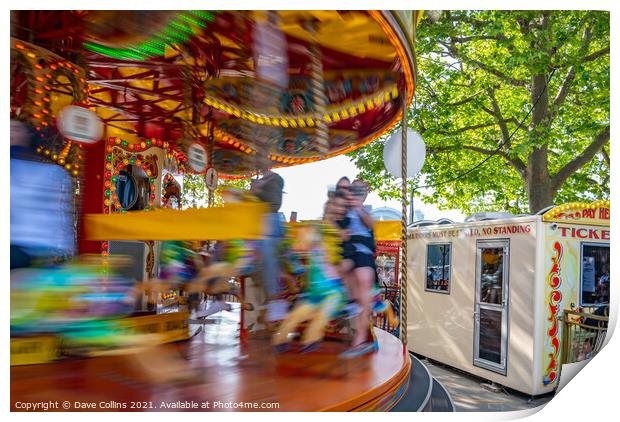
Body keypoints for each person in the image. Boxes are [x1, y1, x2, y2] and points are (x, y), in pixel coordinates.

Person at [10, 120, 75, 269]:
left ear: (28, 136)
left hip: (32, 245)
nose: (10, 133)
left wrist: (65, 246)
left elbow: (60, 214)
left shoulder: (51, 173)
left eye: (15, 129)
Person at [336, 177, 378, 357]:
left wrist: (358, 207)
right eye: (355, 189)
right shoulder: (342, 209)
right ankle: (349, 302)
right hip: (347, 251)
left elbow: (371, 224)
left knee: (363, 284)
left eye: (361, 190)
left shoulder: (364, 210)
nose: (357, 193)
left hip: (362, 252)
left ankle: (359, 340)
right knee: (339, 271)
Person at [250, 169, 288, 322]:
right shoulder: (262, 180)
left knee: (268, 254)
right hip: (260, 224)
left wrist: (257, 191)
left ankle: (273, 300)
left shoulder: (275, 178)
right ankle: (270, 302)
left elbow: (273, 203)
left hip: (271, 224)